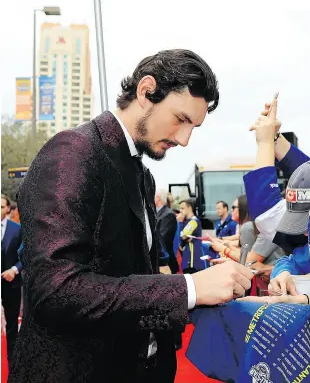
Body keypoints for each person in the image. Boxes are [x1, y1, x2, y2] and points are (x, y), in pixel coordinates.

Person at [10, 49, 254, 383]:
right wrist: (188, 289)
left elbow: (132, 277)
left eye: (193, 127)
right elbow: (55, 292)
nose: (184, 139)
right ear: (145, 90)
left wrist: (204, 295)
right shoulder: (73, 153)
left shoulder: (142, 174)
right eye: (181, 119)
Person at [1, 194, 22, 370]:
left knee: (12, 326)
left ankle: (13, 364)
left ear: (8, 209)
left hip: (11, 284)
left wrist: (14, 270)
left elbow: (25, 255)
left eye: (1, 206)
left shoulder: (17, 229)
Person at [177, 198, 203, 274]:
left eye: (182, 208)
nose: (180, 211)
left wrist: (180, 223)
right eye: (180, 208)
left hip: (192, 262)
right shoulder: (186, 221)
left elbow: (183, 235)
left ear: (189, 208)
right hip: (186, 260)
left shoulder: (194, 221)